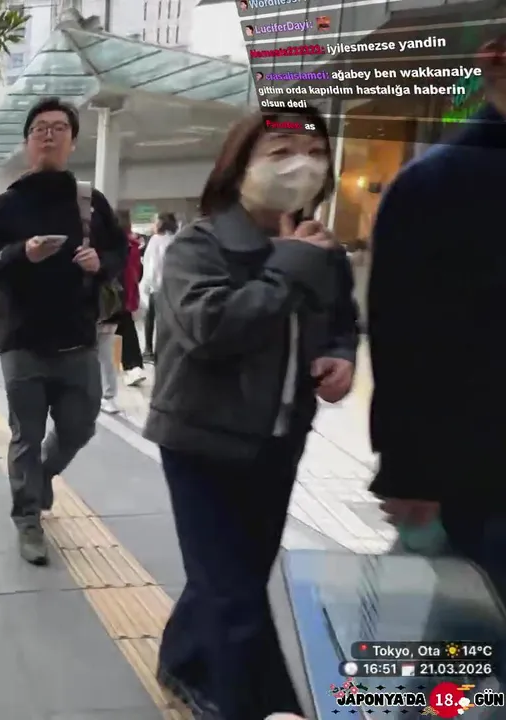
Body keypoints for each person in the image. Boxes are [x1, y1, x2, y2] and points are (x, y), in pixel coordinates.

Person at [145, 107, 356, 719]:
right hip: (201, 440)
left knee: (235, 574)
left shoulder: (322, 249)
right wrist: (289, 262)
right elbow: (211, 328)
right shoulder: (199, 245)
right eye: (280, 151)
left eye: (314, 151)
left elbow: (342, 320)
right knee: (234, 592)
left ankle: (181, 659)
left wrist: (341, 355)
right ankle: (257, 706)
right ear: (238, 167)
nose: (300, 165)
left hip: (279, 437)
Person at [366, 37, 506, 602]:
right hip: (476, 482)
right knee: (466, 637)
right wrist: (409, 473)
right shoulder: (436, 182)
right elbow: (402, 338)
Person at [0, 96, 128, 565]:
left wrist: (101, 262)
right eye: (40, 128)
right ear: (27, 142)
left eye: (59, 128)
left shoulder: (89, 201)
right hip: (22, 341)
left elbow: (119, 253)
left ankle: (41, 477)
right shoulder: (6, 205)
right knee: (26, 434)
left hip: (78, 337)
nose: (49, 135)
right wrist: (22, 253)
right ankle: (27, 520)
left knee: (80, 425)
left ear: (73, 141)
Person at [139, 213, 178, 363]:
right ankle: (163, 352)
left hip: (157, 286)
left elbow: (151, 265)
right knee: (165, 321)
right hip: (171, 287)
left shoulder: (156, 240)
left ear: (161, 223)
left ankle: (148, 351)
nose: (153, 224)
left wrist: (147, 285)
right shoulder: (175, 239)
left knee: (150, 318)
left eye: (155, 221)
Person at [111, 226, 147, 387]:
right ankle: (133, 367)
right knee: (125, 328)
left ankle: (130, 368)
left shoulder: (112, 244)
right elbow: (138, 272)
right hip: (125, 293)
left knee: (109, 333)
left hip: (112, 294)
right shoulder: (132, 245)